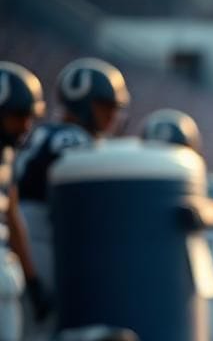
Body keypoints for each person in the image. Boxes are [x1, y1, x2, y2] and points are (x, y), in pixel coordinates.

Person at [15, 58, 130, 300]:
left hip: (28, 235)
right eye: (106, 106)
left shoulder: (46, 132)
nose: (112, 115)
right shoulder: (72, 139)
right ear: (85, 103)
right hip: (40, 240)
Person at [0, 62, 47, 341]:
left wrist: (32, 279)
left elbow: (12, 214)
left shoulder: (7, 156)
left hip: (5, 271)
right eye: (18, 116)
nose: (26, 126)